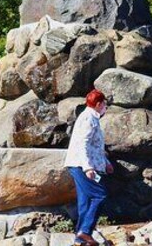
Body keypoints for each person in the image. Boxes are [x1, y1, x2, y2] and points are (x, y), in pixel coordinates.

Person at [64, 89, 113, 246]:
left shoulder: (92, 117)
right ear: (98, 104)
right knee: (100, 195)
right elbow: (83, 144)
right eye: (104, 104)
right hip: (81, 165)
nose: (106, 107)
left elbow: (94, 146)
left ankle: (80, 239)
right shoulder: (88, 118)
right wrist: (88, 168)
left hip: (80, 164)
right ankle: (85, 231)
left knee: (85, 201)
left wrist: (105, 162)